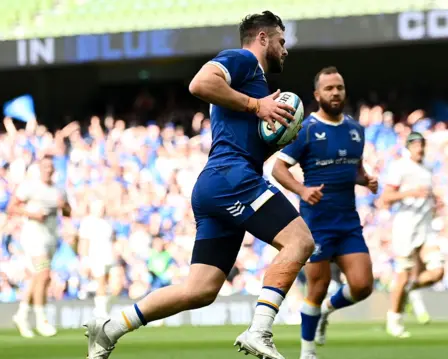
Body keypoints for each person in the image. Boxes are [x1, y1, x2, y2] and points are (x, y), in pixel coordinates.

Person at [84, 11, 315, 359]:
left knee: (200, 289)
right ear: (263, 38)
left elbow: (243, 138)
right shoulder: (243, 60)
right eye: (282, 41)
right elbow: (199, 84)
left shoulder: (255, 85)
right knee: (299, 242)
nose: (285, 49)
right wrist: (257, 106)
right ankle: (260, 330)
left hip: (218, 183)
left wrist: (274, 137)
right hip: (231, 179)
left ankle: (110, 328)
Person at [272, 66, 378, 359]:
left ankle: (327, 312)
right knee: (316, 287)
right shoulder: (305, 130)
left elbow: (354, 169)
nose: (335, 93)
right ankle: (307, 353)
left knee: (363, 285)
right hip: (316, 222)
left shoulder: (356, 130)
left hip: (348, 221)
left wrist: (365, 179)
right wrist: (303, 190)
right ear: (317, 95)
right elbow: (278, 169)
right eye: (329, 88)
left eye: (339, 88)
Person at [380, 132, 445, 338]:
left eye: (422, 144)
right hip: (406, 227)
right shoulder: (400, 166)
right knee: (403, 274)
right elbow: (386, 198)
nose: (420, 148)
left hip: (426, 227)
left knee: (438, 271)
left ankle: (407, 290)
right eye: (416, 144)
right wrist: (410, 193)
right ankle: (394, 320)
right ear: (408, 147)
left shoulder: (427, 167)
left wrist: (435, 201)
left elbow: (427, 193)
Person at [9, 154, 71, 338]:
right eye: (45, 167)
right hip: (33, 237)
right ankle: (41, 319)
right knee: (44, 274)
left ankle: (21, 314)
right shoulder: (29, 187)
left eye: (51, 167)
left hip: (51, 238)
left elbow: (68, 213)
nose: (48, 170)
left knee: (38, 277)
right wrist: (31, 213)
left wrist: (64, 205)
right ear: (39, 168)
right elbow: (12, 207)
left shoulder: (59, 190)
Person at [78, 200, 114, 318]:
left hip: (109, 257)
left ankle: (102, 308)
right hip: (95, 257)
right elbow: (84, 242)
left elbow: (112, 240)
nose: (101, 210)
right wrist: (84, 260)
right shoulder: (87, 222)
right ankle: (101, 311)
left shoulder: (107, 222)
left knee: (113, 285)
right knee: (101, 282)